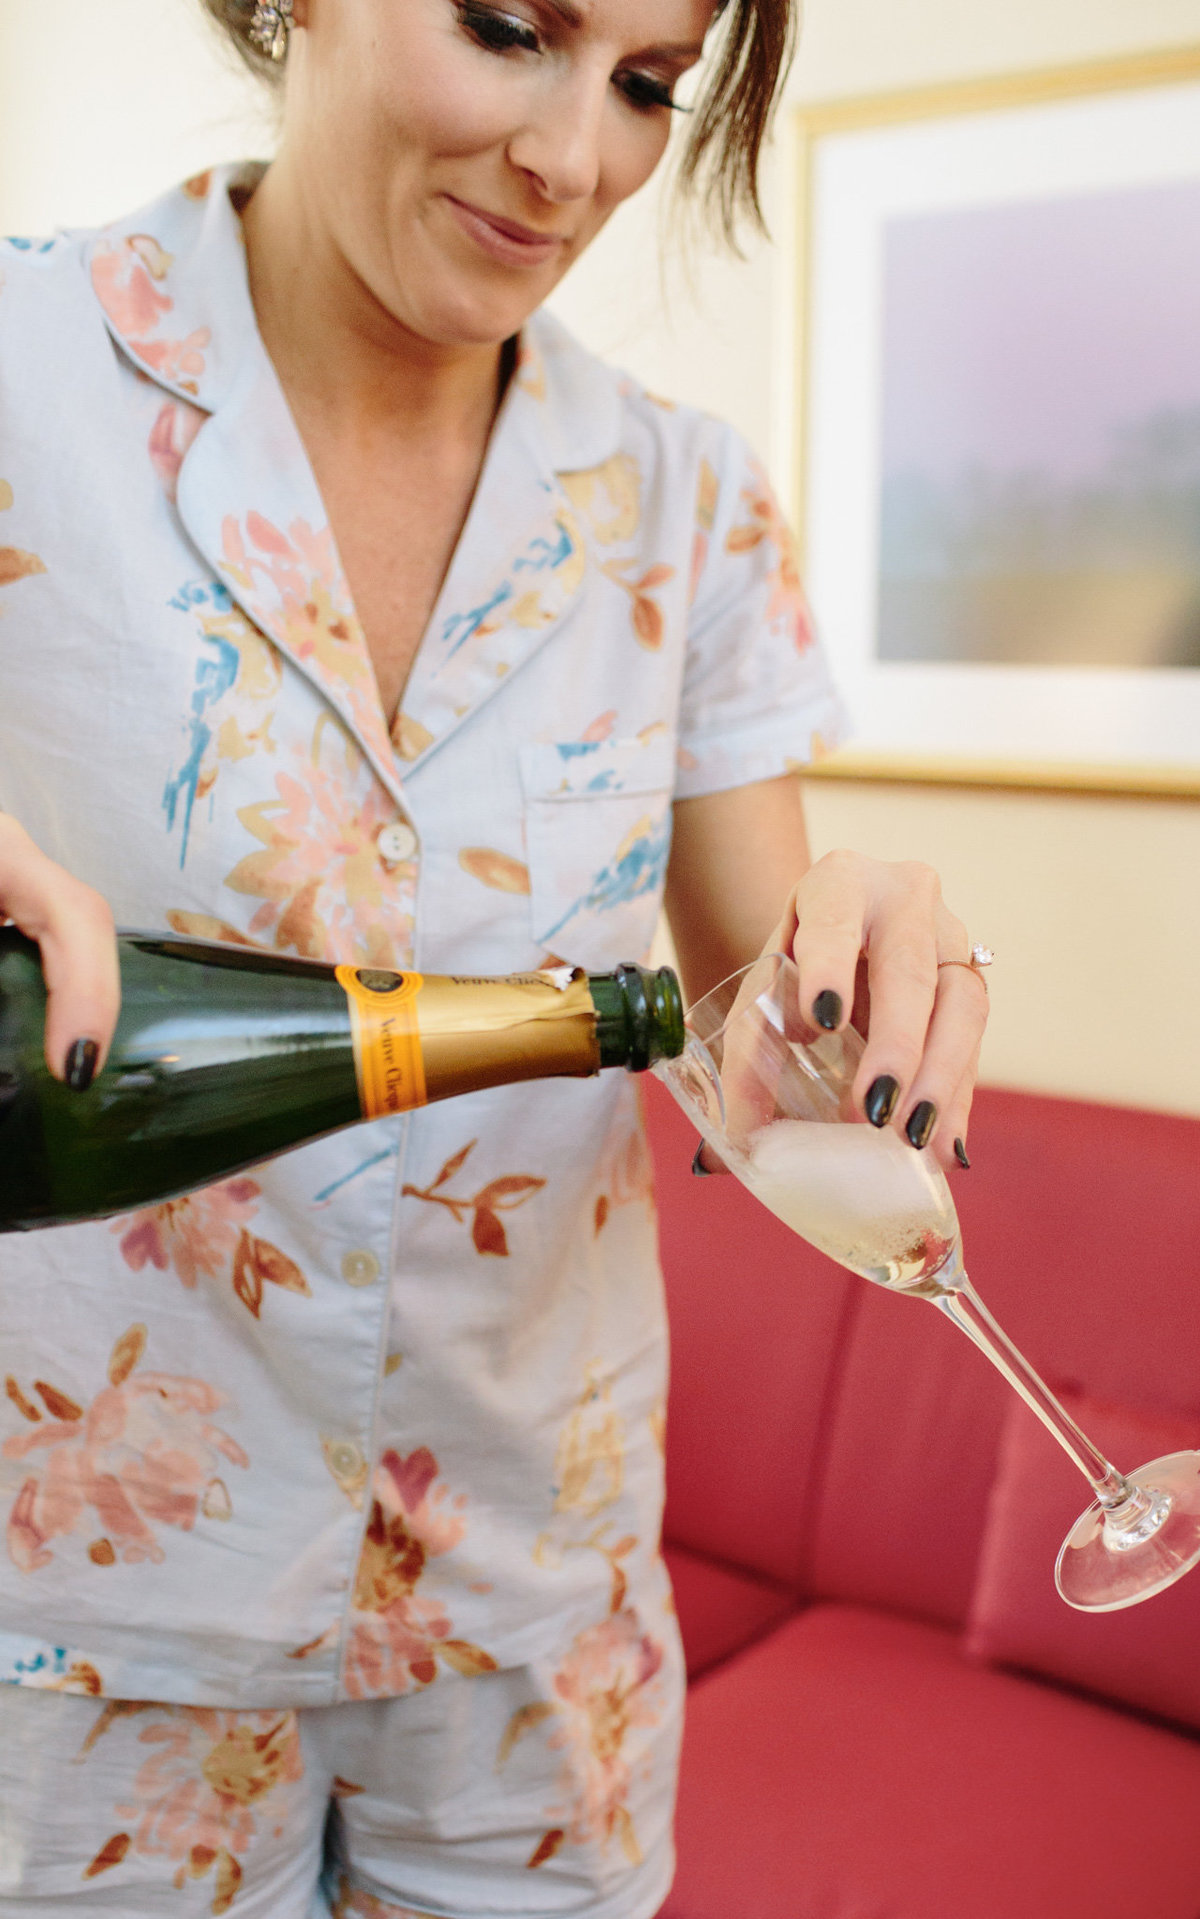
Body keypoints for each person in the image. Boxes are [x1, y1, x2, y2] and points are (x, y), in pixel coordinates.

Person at [0, 1, 989, 1912]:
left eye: (644, 86)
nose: (572, 160)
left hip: (535, 1616)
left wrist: (855, 962)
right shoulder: (21, 372)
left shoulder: (683, 504)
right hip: (82, 1620)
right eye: (509, 30)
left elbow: (742, 1030)